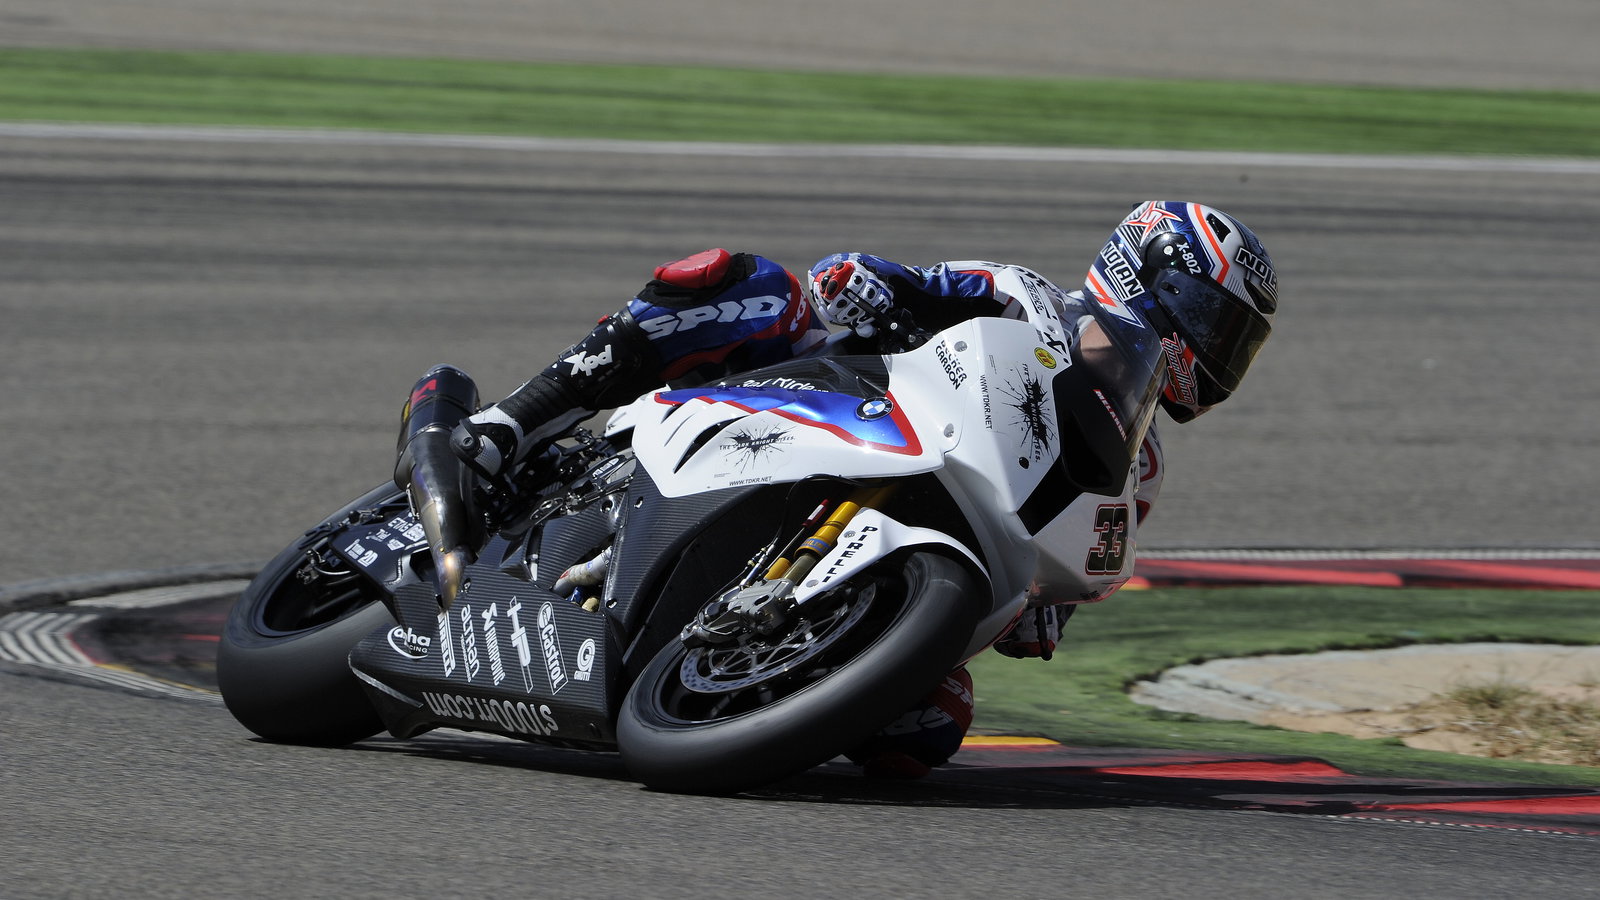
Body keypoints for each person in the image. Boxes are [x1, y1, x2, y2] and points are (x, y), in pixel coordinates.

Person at [449, 200, 1279, 778]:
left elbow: (1064, 568)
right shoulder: (1024, 297)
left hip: (920, 521)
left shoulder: (1143, 467)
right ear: (1146, 277)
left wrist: (1043, 607)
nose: (1218, 356)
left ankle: (728, 678)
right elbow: (899, 282)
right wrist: (870, 283)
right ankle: (510, 423)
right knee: (750, 288)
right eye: (1214, 324)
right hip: (821, 407)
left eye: (1235, 344)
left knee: (928, 727)